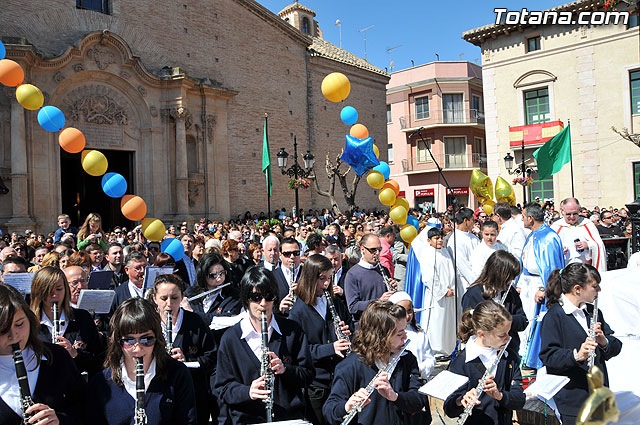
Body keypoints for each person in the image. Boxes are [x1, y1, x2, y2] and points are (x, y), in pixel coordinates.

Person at [214, 266, 314, 424]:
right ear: (246, 298)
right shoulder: (230, 339)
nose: (263, 303)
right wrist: (248, 392)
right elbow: (222, 389)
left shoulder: (292, 331)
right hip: (248, 419)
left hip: (287, 419)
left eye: (269, 296)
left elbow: (308, 375)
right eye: (255, 297)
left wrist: (285, 370)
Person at [86, 297, 197, 424]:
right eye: (129, 340)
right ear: (118, 341)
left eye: (146, 339)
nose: (138, 348)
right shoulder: (101, 383)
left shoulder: (177, 374)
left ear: (157, 337)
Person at [539, 263, 622, 425]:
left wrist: (604, 341)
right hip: (573, 400)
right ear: (578, 289)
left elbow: (616, 346)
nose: (599, 291)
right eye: (595, 286)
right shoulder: (555, 316)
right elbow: (548, 357)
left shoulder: (593, 312)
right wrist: (576, 355)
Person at [323, 300, 430, 425]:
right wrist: (347, 406)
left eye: (404, 331)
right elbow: (329, 410)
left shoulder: (407, 359)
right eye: (400, 334)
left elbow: (419, 399)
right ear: (381, 336)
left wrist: (395, 397)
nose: (405, 337)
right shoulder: (350, 366)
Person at [0, 284, 87, 424]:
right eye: (3, 330)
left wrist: (60, 420)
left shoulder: (57, 356)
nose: (13, 335)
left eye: (19, 324)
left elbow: (85, 407)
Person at [288, 254, 352, 425]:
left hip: (339, 378)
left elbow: (351, 329)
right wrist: (331, 348)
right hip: (316, 384)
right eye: (321, 278)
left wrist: (347, 333)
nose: (326, 283)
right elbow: (298, 351)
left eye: (329, 278)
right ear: (310, 278)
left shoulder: (336, 303)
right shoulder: (298, 311)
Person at [444, 301, 525, 424]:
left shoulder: (509, 357)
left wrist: (500, 395)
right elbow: (449, 409)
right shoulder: (462, 362)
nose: (508, 338)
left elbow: (520, 400)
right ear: (482, 334)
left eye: (508, 333)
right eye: (502, 335)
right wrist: (461, 400)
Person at [152, 274, 217, 425]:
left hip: (193, 395)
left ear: (182, 297)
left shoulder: (195, 322)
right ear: (155, 299)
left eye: (174, 298)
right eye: (163, 299)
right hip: (159, 394)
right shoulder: (149, 324)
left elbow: (211, 357)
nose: (169, 304)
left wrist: (187, 362)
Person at [30, 266, 105, 377]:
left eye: (59, 289)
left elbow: (98, 360)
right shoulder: (29, 322)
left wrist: (74, 354)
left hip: (76, 385)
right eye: (49, 291)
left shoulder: (82, 318)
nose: (55, 295)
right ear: (39, 292)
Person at [519, 202, 565, 369]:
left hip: (540, 285)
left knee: (537, 321)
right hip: (528, 284)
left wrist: (546, 289)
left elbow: (552, 267)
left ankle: (535, 358)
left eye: (523, 217)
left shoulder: (549, 237)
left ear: (530, 218)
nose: (522, 220)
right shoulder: (532, 235)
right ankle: (525, 355)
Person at [405, 227, 457, 356]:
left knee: (448, 322)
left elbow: (452, 272)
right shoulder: (428, 254)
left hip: (450, 293)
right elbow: (429, 277)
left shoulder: (445, 252)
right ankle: (436, 350)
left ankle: (448, 348)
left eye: (441, 238)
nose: (440, 240)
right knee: (437, 322)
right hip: (437, 296)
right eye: (436, 238)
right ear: (429, 240)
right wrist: (443, 291)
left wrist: (453, 288)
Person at [462, 250, 527, 353]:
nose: (513, 280)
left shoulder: (510, 292)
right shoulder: (473, 294)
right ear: (499, 273)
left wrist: (506, 318)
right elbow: (469, 325)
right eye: (510, 276)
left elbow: (523, 321)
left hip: (508, 350)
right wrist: (493, 318)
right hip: (482, 351)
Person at [343, 234, 395, 327]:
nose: (377, 253)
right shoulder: (352, 274)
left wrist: (393, 292)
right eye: (373, 250)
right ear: (362, 249)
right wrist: (378, 301)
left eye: (379, 249)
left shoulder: (383, 270)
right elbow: (353, 307)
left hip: (384, 323)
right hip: (366, 326)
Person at [184, 252, 242, 327]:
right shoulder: (190, 293)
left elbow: (226, 319)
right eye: (213, 275)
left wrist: (193, 314)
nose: (219, 278)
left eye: (222, 273)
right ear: (203, 276)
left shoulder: (234, 296)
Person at [389, 291, 435, 381]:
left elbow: (430, 359)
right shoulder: (390, 334)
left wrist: (419, 369)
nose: (407, 316)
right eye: (402, 311)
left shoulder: (419, 333)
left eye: (409, 311)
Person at [551, 198, 606, 273]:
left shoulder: (587, 224)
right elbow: (549, 251)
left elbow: (599, 244)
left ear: (579, 210)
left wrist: (588, 245)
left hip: (585, 269)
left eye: (575, 213)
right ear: (562, 211)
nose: (572, 217)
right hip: (565, 269)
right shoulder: (556, 227)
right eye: (568, 214)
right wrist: (559, 251)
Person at [445, 207, 480, 291]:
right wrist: (476, 282)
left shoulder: (473, 237)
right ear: (465, 221)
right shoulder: (455, 239)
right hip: (465, 283)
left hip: (479, 278)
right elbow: (462, 264)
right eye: (472, 220)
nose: (473, 223)